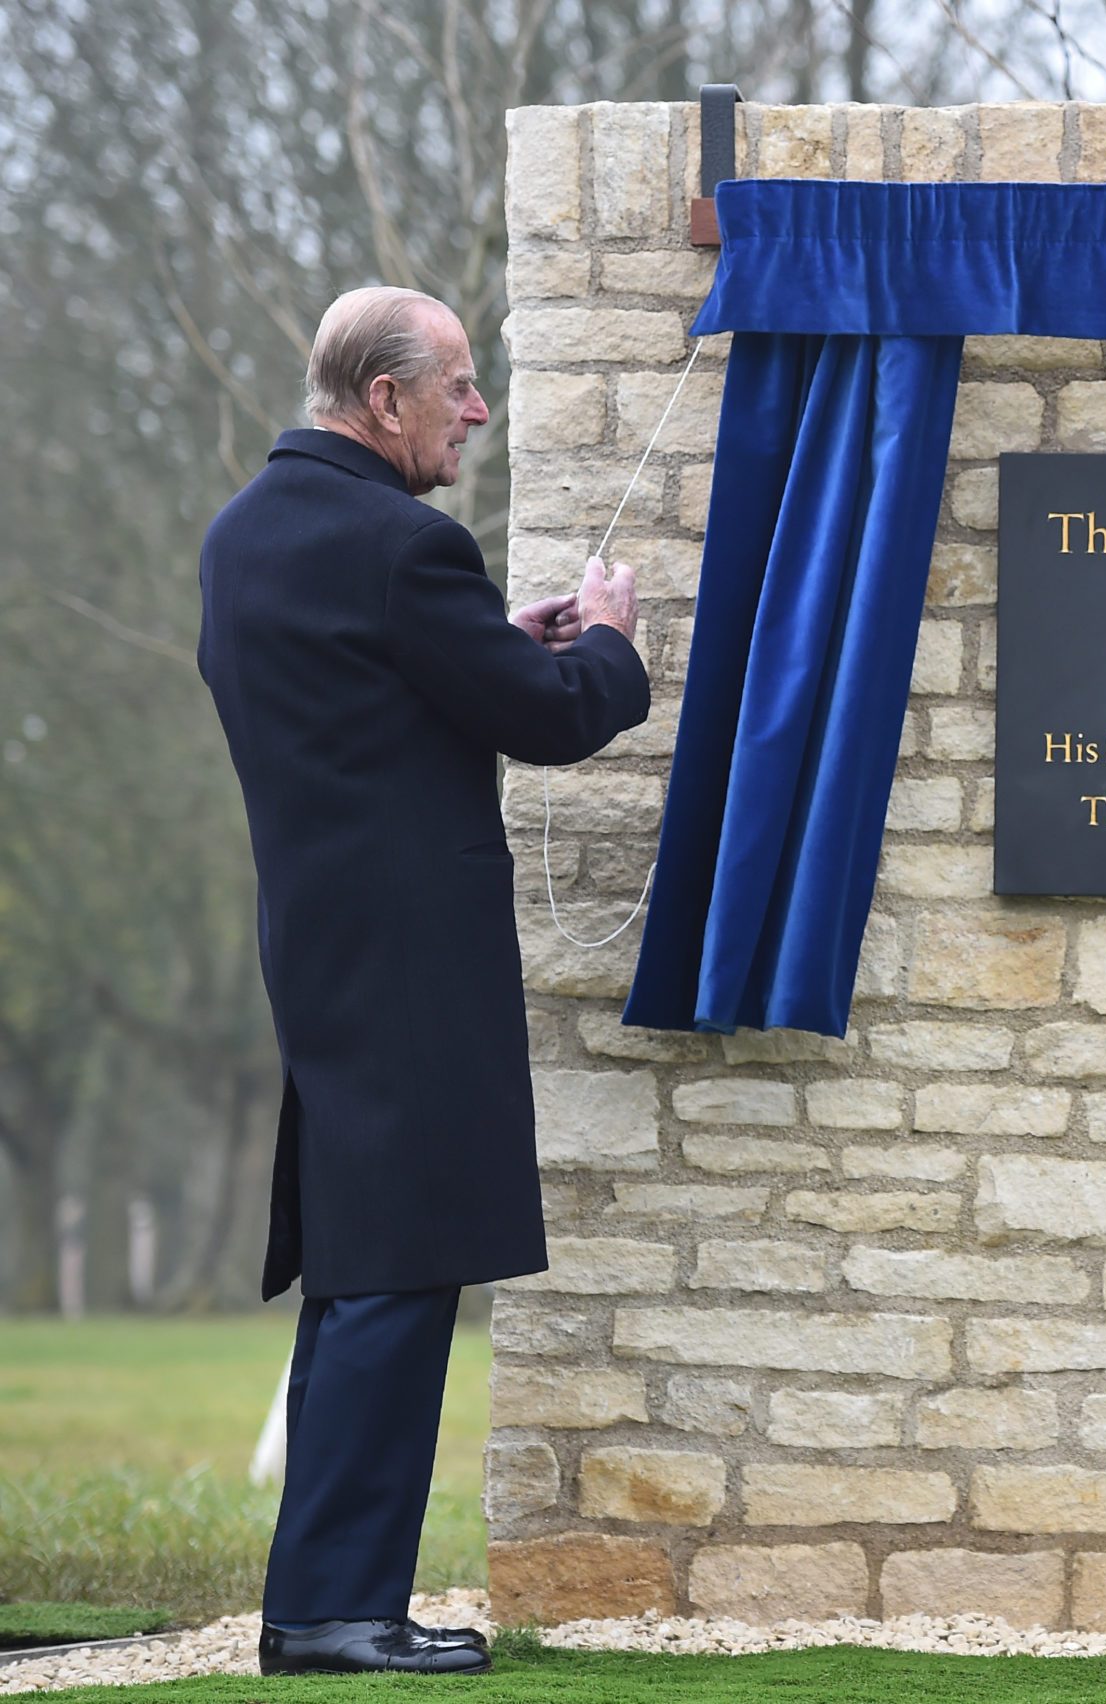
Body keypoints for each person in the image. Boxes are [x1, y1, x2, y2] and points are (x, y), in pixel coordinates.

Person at [197, 286, 651, 1677]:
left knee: (362, 1274)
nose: (479, 408)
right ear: (383, 398)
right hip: (415, 966)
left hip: (323, 952)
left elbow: (368, 694)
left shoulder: (244, 534)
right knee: (395, 1277)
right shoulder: (406, 546)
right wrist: (612, 642)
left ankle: (325, 1602)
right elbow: (549, 718)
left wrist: (487, 634)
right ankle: (337, 1617)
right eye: (457, 382)